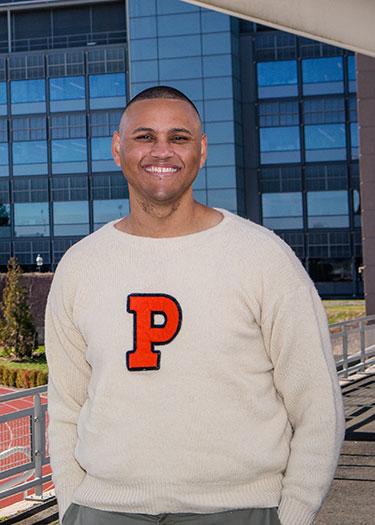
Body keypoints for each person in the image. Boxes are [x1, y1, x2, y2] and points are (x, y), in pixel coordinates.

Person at [45, 86, 345, 525]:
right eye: (145, 137)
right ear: (117, 148)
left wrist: (293, 514)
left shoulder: (262, 256)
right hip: (103, 509)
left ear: (201, 150)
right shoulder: (80, 265)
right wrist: (73, 503)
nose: (161, 151)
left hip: (238, 509)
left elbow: (317, 402)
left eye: (179, 137)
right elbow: (66, 405)